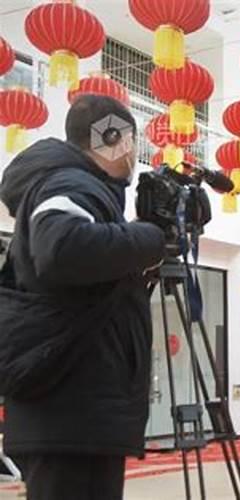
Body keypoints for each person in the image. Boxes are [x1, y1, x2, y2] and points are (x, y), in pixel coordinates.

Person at [0, 95, 166, 500]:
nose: (134, 156)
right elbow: (63, 247)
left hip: (77, 411)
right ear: (113, 139)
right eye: (130, 142)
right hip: (70, 414)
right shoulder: (70, 181)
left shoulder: (78, 185)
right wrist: (148, 237)